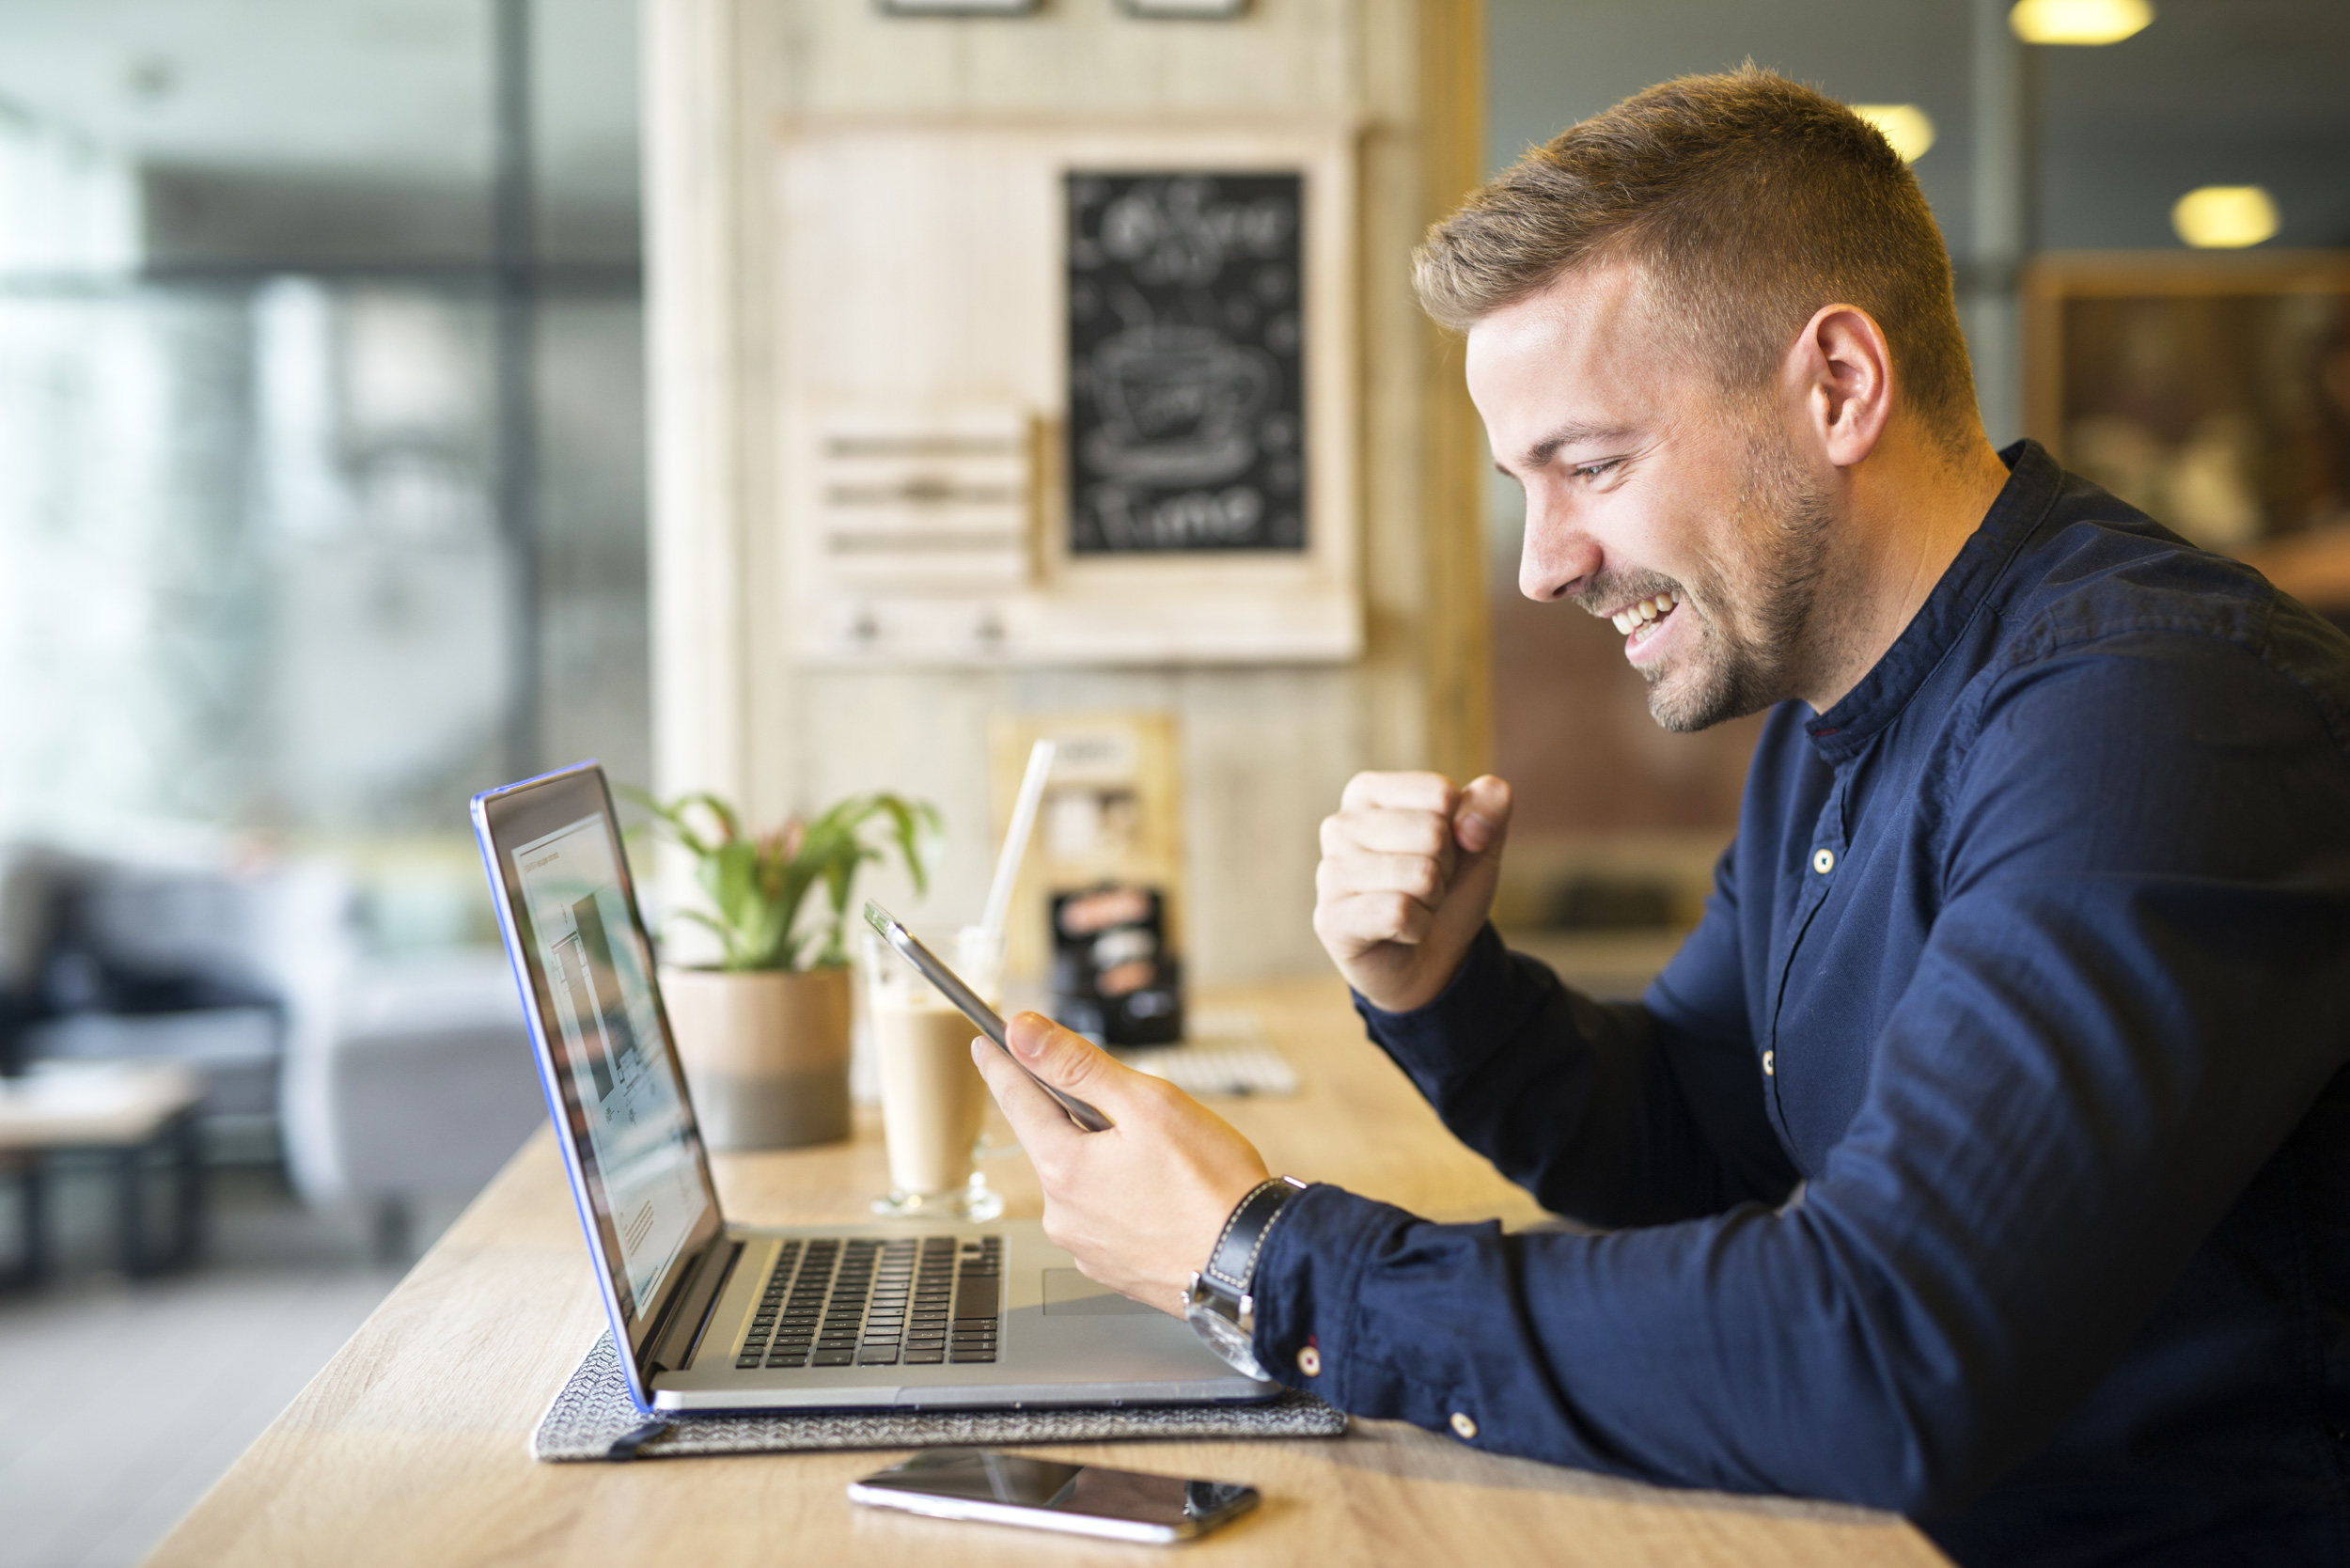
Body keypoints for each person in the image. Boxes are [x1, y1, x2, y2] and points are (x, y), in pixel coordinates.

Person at [969, 67, 2350, 1566]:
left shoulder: (2153, 711)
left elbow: (1885, 1350)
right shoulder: (1835, 706)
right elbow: (1702, 1135)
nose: (1544, 565)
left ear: (1837, 385)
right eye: (1524, 485)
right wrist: (1444, 991)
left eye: (1593, 464)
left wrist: (1267, 1261)